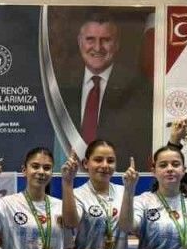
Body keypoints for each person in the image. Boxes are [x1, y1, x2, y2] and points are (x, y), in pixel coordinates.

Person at [54, 10, 153, 165]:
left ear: (116, 44)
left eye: (106, 40)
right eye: (90, 39)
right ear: (80, 42)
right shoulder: (61, 85)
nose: (97, 47)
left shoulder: (137, 88)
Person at [0, 148, 68, 249]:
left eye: (47, 168)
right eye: (35, 166)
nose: (41, 172)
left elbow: (68, 248)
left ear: (51, 173)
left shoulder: (60, 206)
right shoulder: (7, 204)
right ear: (24, 170)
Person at [61, 140, 127, 249]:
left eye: (110, 161)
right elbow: (70, 223)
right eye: (98, 160)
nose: (105, 165)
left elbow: (131, 227)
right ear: (86, 163)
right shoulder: (77, 194)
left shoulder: (124, 192)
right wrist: (68, 181)